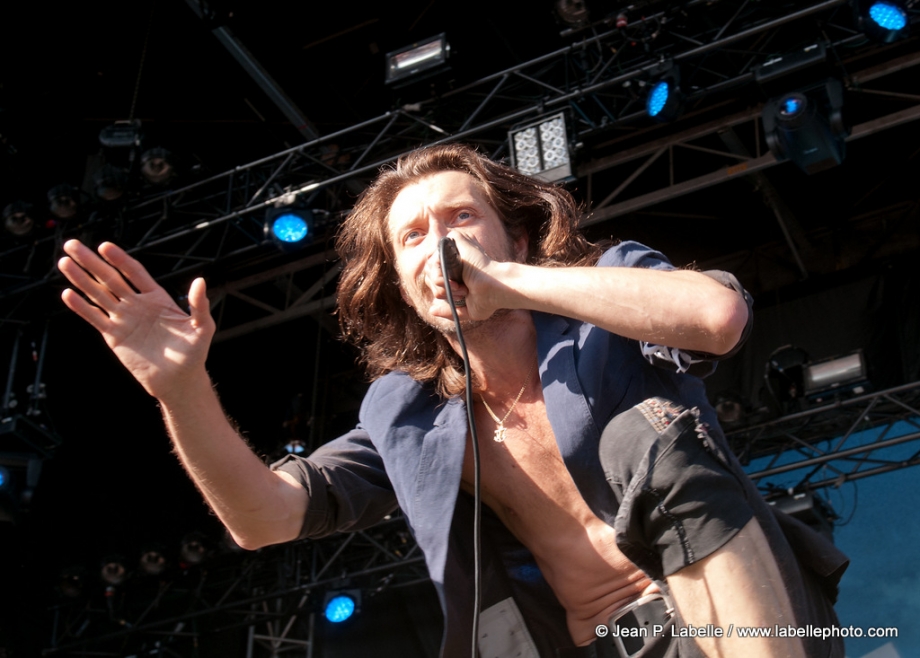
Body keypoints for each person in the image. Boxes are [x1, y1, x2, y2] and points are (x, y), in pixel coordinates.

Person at [58, 144, 847, 658]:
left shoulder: (607, 300)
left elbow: (716, 318)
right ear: (399, 280)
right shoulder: (404, 414)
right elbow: (261, 518)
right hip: (597, 645)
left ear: (516, 238)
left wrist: (510, 287)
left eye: (462, 218)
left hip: (743, 618)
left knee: (638, 434)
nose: (440, 243)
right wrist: (182, 389)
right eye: (413, 237)